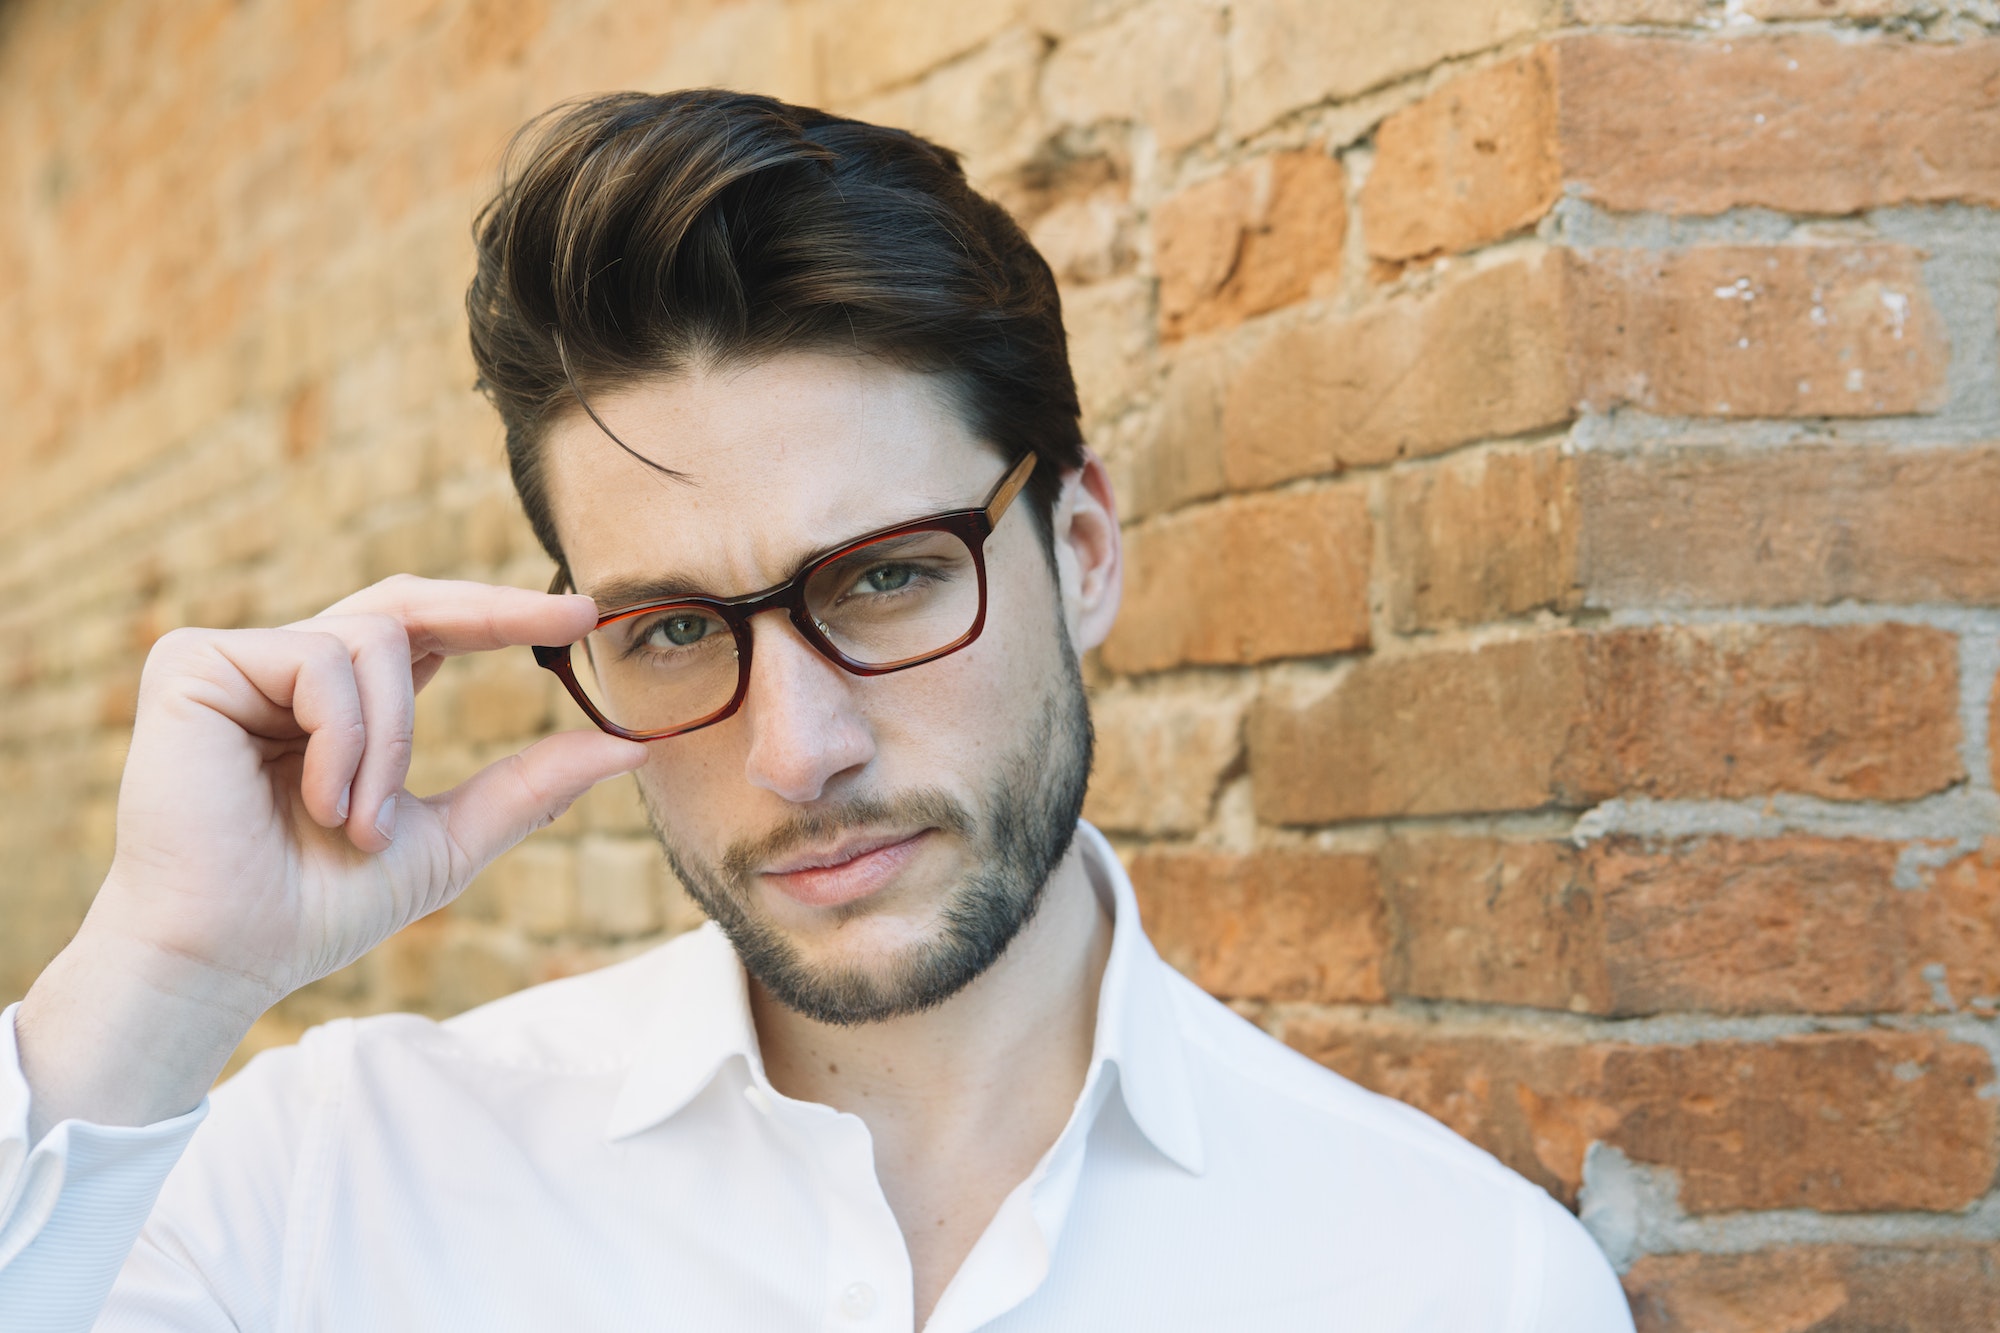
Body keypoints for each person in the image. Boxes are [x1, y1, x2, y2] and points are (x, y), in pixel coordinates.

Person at [0, 91, 1633, 1331]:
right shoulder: (327, 1189)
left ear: (1079, 553)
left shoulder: (1461, 1280)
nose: (799, 751)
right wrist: (159, 976)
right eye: (676, 628)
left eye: (884, 582)